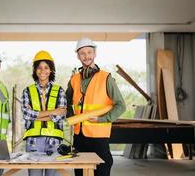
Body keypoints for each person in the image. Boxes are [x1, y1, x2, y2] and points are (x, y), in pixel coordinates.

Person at [66, 38, 126, 176]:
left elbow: (121, 105)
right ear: (78, 56)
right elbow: (67, 100)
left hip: (98, 136)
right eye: (82, 53)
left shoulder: (106, 78)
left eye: (89, 52)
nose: (86, 56)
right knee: (80, 171)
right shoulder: (74, 79)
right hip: (79, 136)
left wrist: (102, 119)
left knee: (102, 170)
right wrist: (71, 117)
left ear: (95, 54)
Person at [21, 50, 67, 176]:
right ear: (35, 70)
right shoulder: (27, 91)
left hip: (54, 141)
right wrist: (53, 112)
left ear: (51, 70)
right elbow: (26, 114)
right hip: (33, 141)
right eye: (39, 67)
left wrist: (36, 116)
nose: (43, 71)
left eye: (46, 67)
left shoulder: (60, 91)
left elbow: (61, 116)